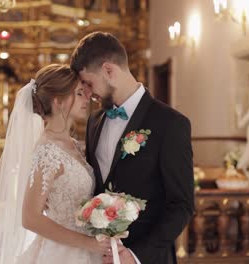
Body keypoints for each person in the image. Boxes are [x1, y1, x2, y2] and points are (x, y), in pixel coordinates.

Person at [0, 64, 111, 264]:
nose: (87, 97)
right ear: (58, 101)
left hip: (85, 250)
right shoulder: (47, 152)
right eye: (79, 93)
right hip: (64, 254)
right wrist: (87, 243)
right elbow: (30, 218)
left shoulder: (73, 144)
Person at [70, 31, 194, 264]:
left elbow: (182, 205)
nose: (87, 93)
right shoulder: (94, 122)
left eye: (89, 83)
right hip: (100, 256)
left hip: (149, 258)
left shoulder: (171, 124)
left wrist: (137, 255)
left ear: (108, 70)